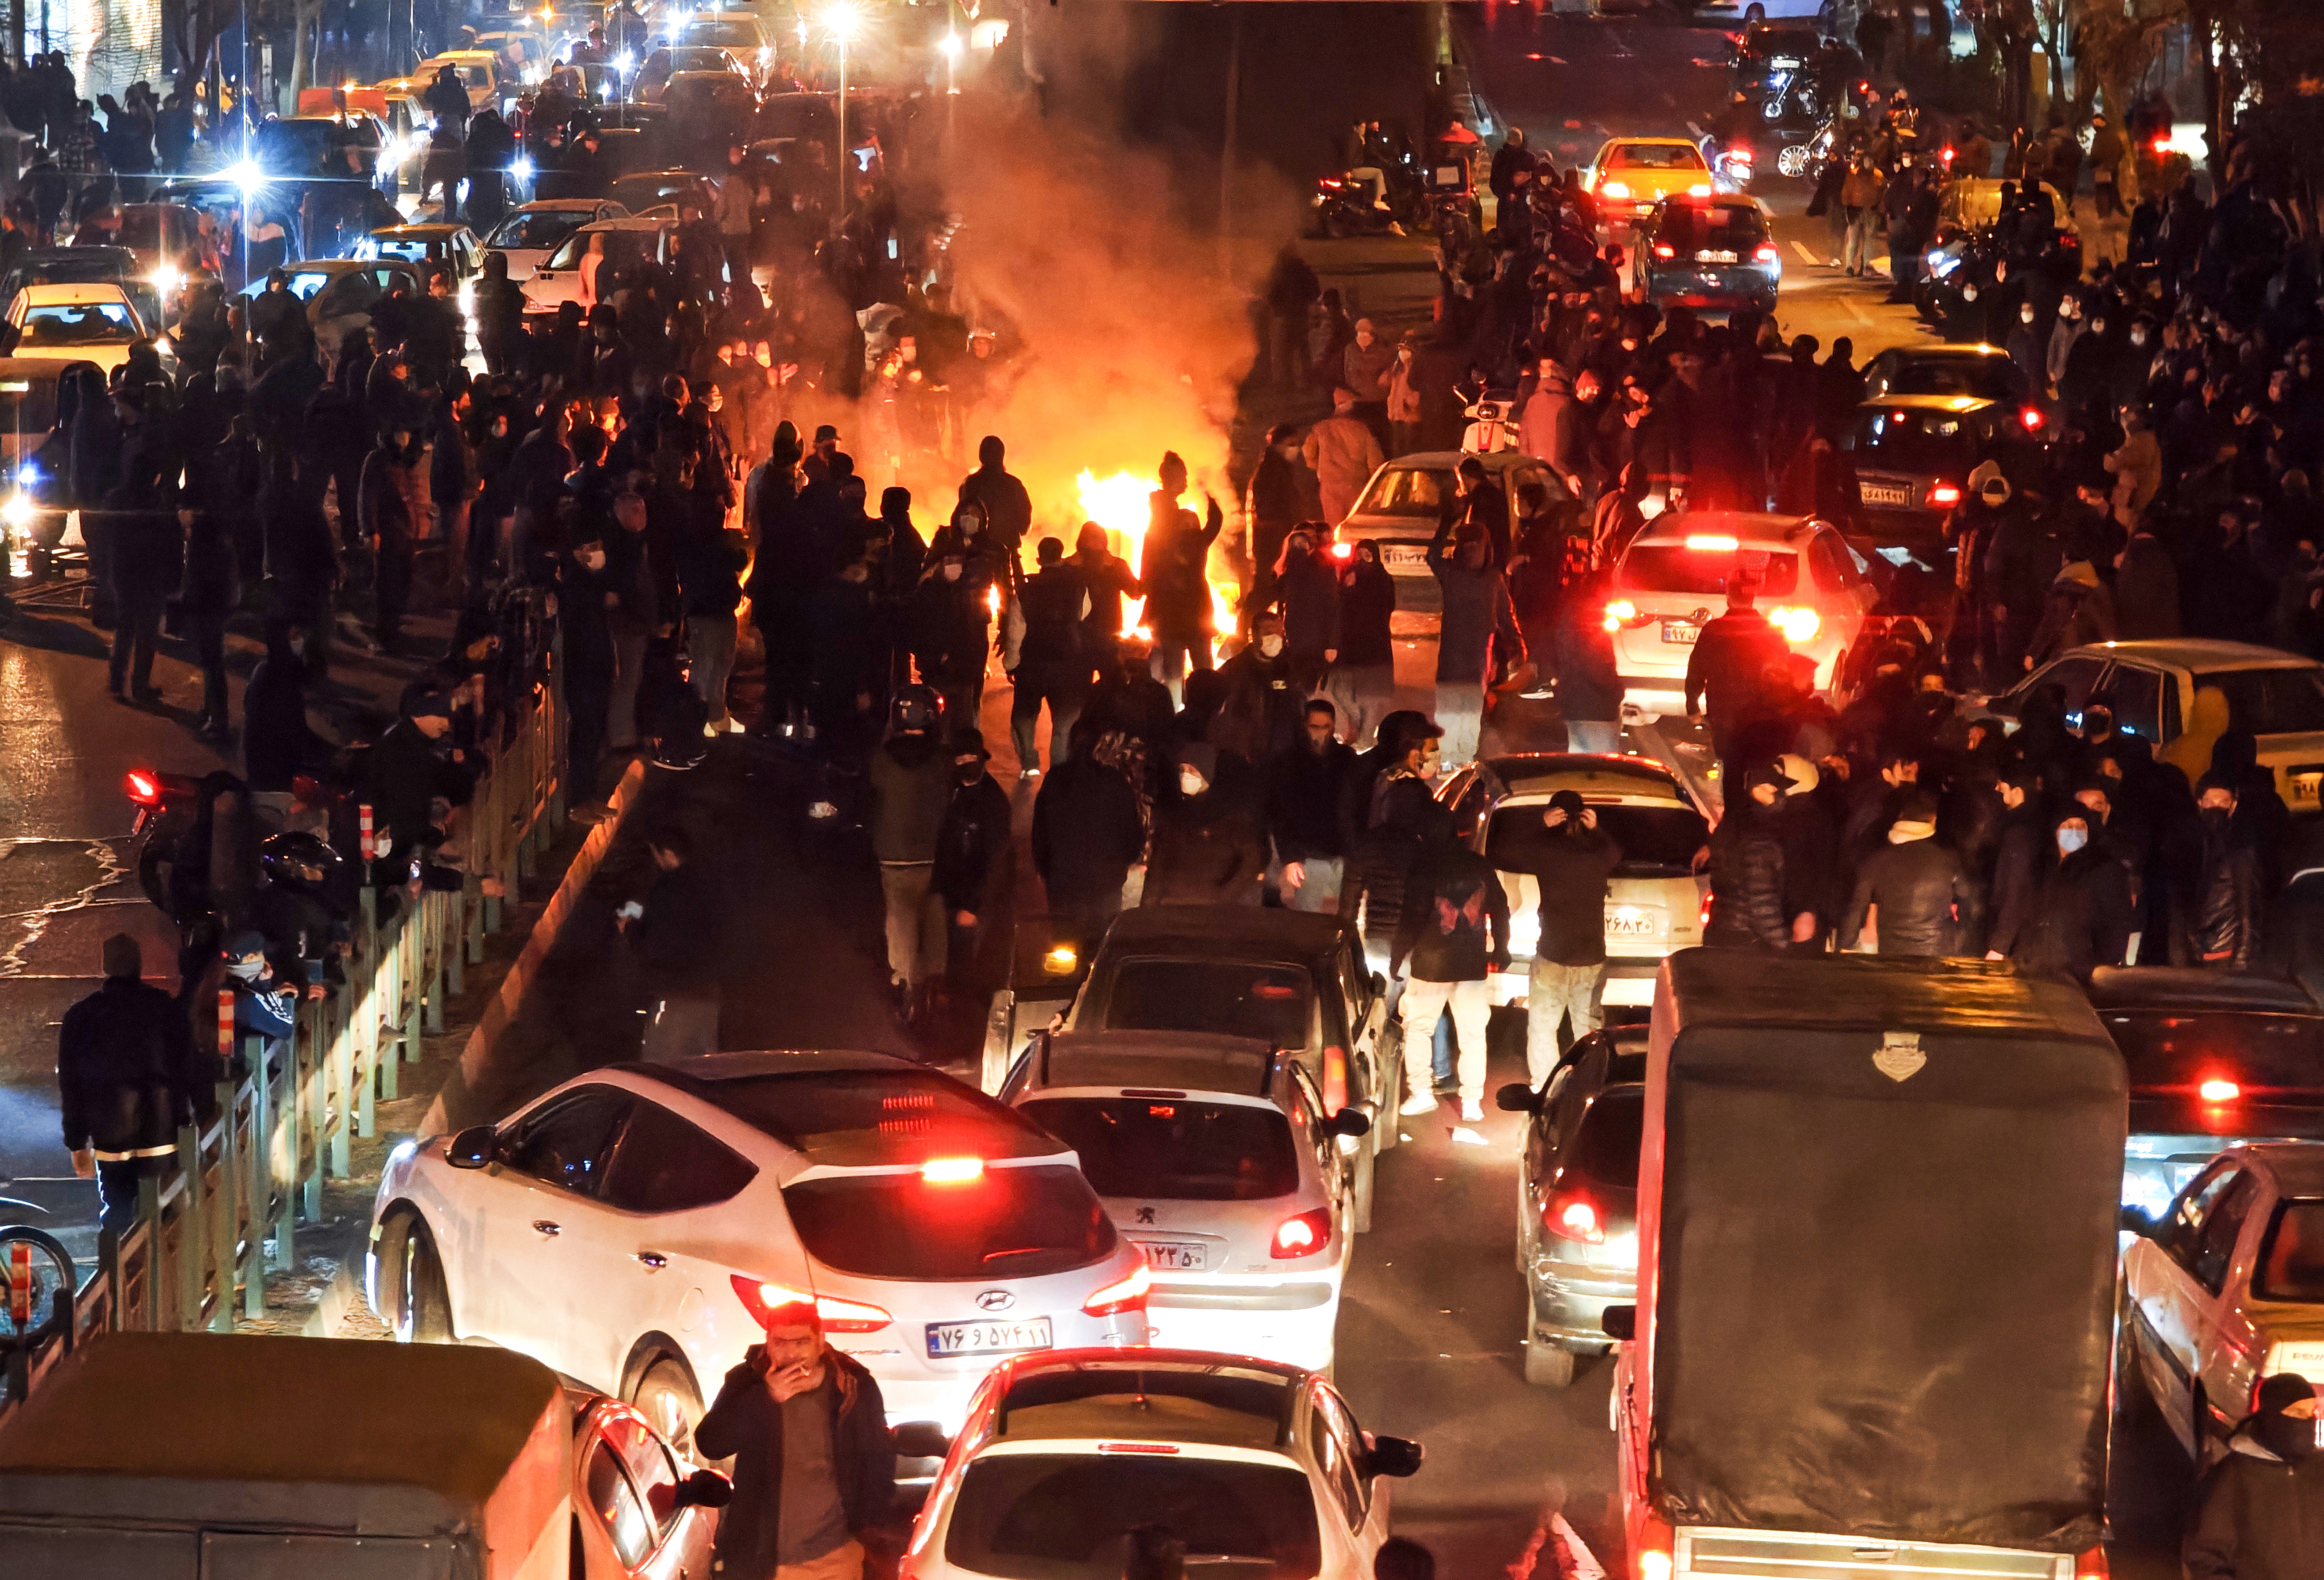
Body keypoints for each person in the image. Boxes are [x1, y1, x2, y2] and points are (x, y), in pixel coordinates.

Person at [693, 1300, 896, 1580]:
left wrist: (870, 1531)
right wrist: (766, 1398)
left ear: (821, 1342)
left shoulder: (852, 1387)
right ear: (767, 1341)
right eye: (780, 1342)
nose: (790, 1352)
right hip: (763, 1560)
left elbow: (878, 1460)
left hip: (834, 1554)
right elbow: (711, 1442)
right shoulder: (747, 1381)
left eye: (801, 1342)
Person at [58, 934, 201, 1234]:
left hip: (109, 1130)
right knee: (164, 1209)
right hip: (163, 1126)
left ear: (105, 967)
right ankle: (164, 1276)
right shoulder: (166, 1009)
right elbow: (188, 1065)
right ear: (138, 966)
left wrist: (77, 1141)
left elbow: (71, 1084)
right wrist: (196, 1113)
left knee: (117, 1211)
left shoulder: (81, 1016)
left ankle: (120, 1274)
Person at [1392, 804, 1510, 1124]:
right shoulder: (1478, 865)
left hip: (1431, 964)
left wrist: (1397, 955)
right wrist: (1502, 947)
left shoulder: (1424, 866)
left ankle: (1421, 1093)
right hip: (1471, 964)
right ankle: (1471, 1101)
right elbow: (1500, 907)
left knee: (1418, 1028)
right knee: (1473, 1033)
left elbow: (1412, 915)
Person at [1496, 789, 1622, 1084]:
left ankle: (1546, 1087)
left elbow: (1507, 851)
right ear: (1583, 817)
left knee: (1542, 1028)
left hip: (1552, 954)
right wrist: (1598, 829)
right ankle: (1590, 1082)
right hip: (1591, 958)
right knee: (1588, 1028)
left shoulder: (1545, 850)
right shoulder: (1597, 853)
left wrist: (1541, 824)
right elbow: (1615, 853)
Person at [2183, 1372, 2322, 1580]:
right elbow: (2206, 1554)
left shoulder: (2319, 1468)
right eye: (2297, 1412)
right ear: (2272, 1415)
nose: (2307, 1420)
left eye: (2311, 1412)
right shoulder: (2234, 1476)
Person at [870, 688, 954, 1012]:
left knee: (900, 916)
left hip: (894, 853)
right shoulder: (942, 760)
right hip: (934, 850)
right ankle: (936, 979)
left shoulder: (881, 759)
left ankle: (906, 981)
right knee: (934, 913)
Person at [1032, 718, 1146, 949]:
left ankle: (1065, 984)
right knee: (1100, 947)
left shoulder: (1056, 779)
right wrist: (1125, 861)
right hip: (1105, 882)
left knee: (1064, 948)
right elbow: (1132, 832)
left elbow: (1040, 832)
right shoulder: (1115, 782)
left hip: (1063, 882)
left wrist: (1047, 869)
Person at [622, 826, 727, 1060]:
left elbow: (653, 946)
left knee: (659, 1072)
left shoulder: (666, 890)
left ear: (668, 853)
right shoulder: (709, 884)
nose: (656, 861)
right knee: (704, 1069)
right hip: (709, 997)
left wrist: (629, 929)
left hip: (675, 997)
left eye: (656, 854)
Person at [1837, 791, 1978, 956]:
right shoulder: (1947, 860)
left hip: (1892, 950)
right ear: (1933, 820)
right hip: (1938, 948)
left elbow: (1857, 906)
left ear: (1901, 818)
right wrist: (1959, 937)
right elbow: (1969, 902)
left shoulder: (1878, 860)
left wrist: (1845, 945)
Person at [1429, 524, 1522, 771]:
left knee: (1463, 717)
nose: (1471, 552)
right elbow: (1506, 617)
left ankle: (1457, 767)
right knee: (1459, 716)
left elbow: (1505, 616)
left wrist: (1516, 645)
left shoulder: (1486, 578)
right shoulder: (1458, 574)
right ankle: (1454, 766)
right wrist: (1517, 644)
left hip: (1469, 662)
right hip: (1462, 662)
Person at [1005, 536, 1092, 776]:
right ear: (1061, 556)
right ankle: (1058, 773)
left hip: (1033, 662)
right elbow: (1084, 613)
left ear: (1039, 559)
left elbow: (1015, 632)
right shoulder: (1078, 586)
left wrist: (1011, 663)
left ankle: (1030, 763)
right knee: (1064, 724)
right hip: (1067, 662)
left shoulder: (1025, 591)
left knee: (1024, 716)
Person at [1684, 573, 1788, 771]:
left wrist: (1693, 705)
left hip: (1724, 713)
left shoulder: (1714, 630)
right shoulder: (1771, 632)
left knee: (1731, 766)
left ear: (1728, 596)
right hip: (1761, 713)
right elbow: (1784, 672)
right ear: (1753, 596)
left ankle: (1734, 799)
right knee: (1759, 765)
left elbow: (1696, 668)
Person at [934, 729, 1012, 991]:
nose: (966, 765)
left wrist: (972, 905)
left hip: (973, 899)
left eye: (971, 758)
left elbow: (996, 861)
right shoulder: (953, 791)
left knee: (964, 962)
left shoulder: (993, 801)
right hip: (953, 892)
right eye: (961, 760)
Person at [1145, 742, 1266, 906]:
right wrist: (1149, 907)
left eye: (1193, 770)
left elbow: (1250, 863)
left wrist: (1222, 897)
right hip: (1171, 906)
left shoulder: (1231, 816)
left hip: (1211, 912)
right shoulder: (1175, 814)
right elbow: (1158, 866)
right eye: (1182, 770)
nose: (1185, 776)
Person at [1268, 700, 1358, 913]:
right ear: (1304, 725)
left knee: (1344, 915)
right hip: (1309, 854)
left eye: (1325, 726)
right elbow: (1281, 812)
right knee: (1310, 916)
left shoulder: (1346, 759)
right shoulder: (1290, 762)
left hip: (1341, 851)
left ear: (1333, 726)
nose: (1320, 733)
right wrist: (1290, 857)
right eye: (1314, 726)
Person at [2188, 775, 2262, 970]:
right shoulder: (2194, 849)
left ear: (2233, 807)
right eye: (2210, 802)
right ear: (2200, 804)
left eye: (2223, 803)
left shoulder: (2239, 851)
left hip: (2225, 952)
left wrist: (2241, 959)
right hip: (2200, 952)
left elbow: (2248, 909)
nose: (2215, 808)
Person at [1303, 388, 1384, 526]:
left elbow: (1309, 453)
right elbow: (1375, 463)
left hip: (1329, 487)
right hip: (1357, 487)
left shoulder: (1321, 428)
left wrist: (1319, 467)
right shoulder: (1363, 429)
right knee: (1356, 528)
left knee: (1335, 530)